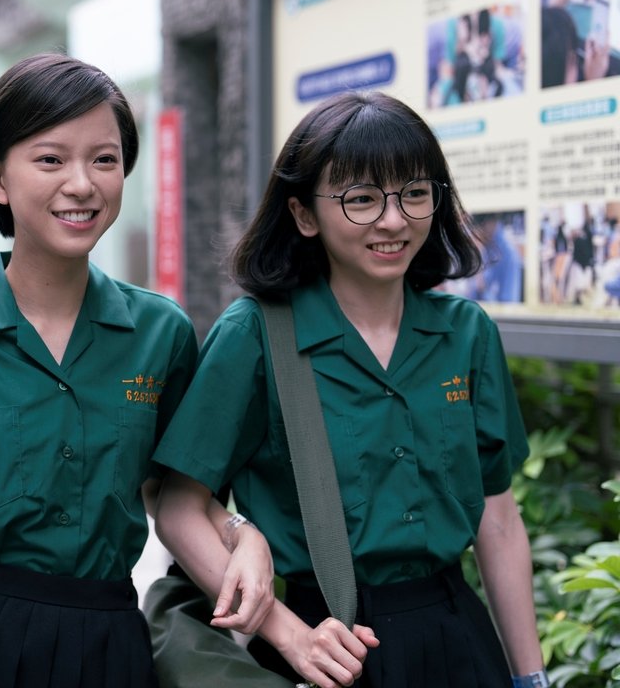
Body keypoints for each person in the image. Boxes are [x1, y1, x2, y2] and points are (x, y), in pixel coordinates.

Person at [0, 52, 275, 688]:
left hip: (109, 645)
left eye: (104, 159)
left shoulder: (161, 334)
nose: (82, 183)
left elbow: (174, 496)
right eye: (49, 158)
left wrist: (240, 531)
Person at [153, 91, 544, 688]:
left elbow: (498, 518)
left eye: (414, 194)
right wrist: (287, 634)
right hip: (324, 645)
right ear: (304, 215)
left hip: (457, 638)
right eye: (361, 199)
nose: (393, 220)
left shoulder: (466, 333)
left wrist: (530, 677)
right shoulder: (257, 333)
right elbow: (180, 509)